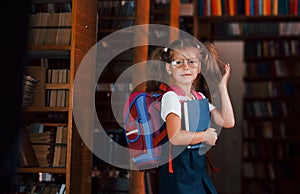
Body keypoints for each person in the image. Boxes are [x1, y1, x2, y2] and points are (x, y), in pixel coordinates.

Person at [156, 38, 235, 194]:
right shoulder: (171, 97)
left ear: (199, 68)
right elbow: (175, 137)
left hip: (197, 172)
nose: (186, 67)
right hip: (179, 175)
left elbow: (227, 121)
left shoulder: (198, 96)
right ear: (169, 68)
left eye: (192, 62)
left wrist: (222, 87)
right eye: (178, 62)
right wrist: (205, 136)